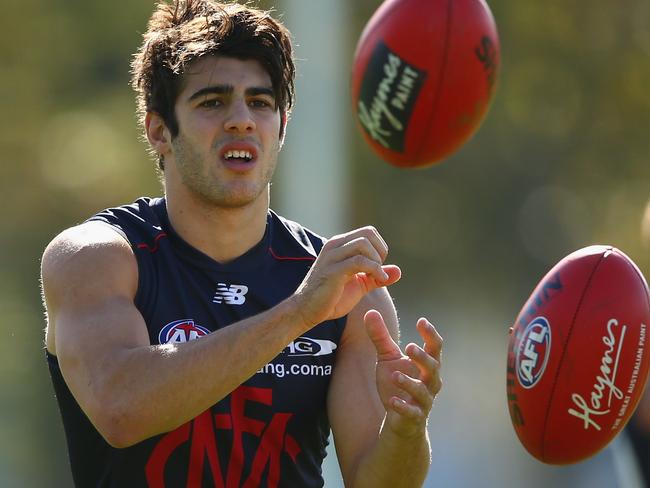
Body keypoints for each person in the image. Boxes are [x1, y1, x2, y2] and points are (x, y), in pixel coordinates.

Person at [40, 1, 443, 486]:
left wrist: (405, 429)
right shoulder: (97, 257)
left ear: (282, 126)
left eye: (260, 102)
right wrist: (298, 313)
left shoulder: (347, 289)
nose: (241, 121)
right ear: (160, 131)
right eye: (212, 102)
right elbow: (121, 409)